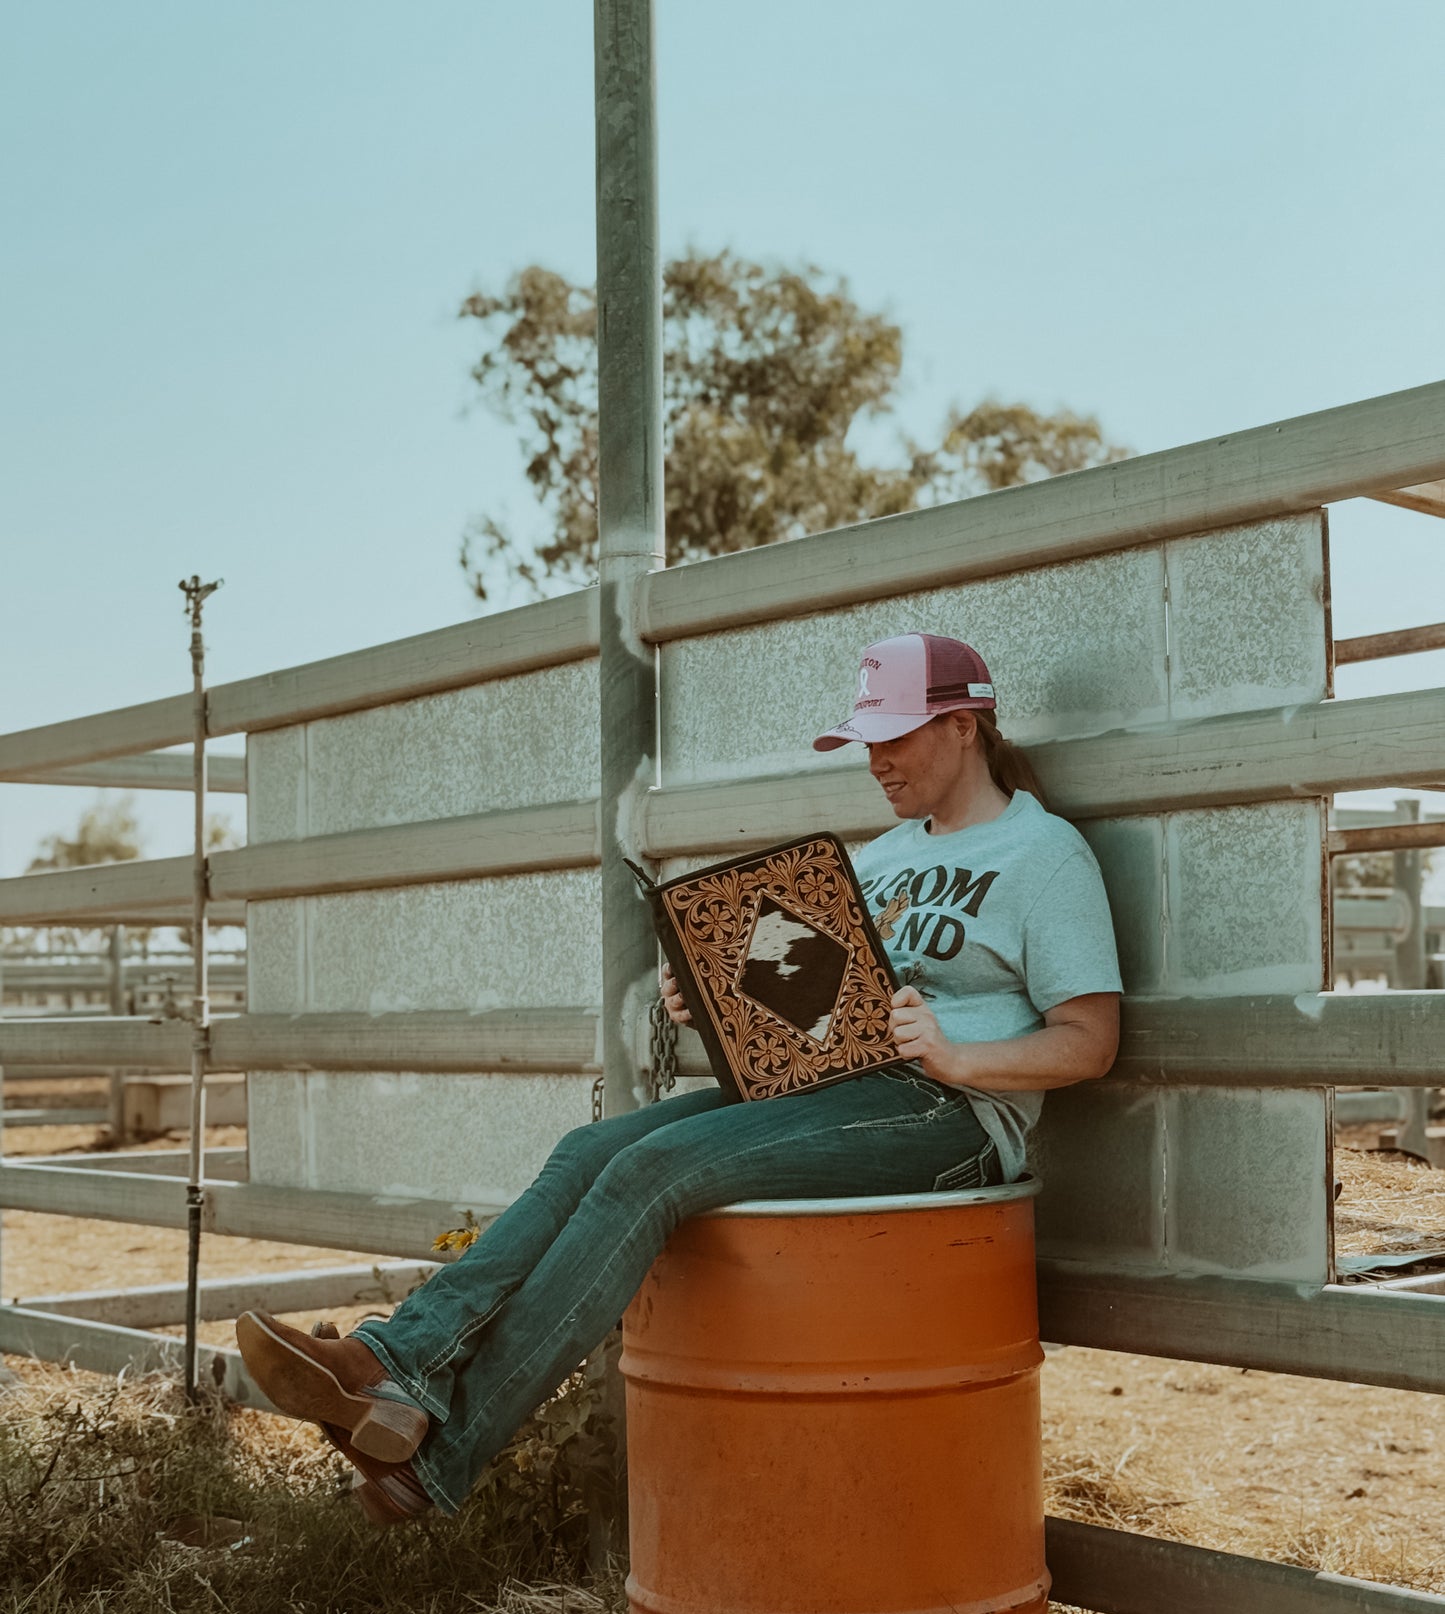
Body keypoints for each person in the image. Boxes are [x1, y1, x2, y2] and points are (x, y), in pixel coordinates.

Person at [237, 633, 1122, 1523]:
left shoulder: (1042, 854)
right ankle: (399, 1361)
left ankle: (439, 1455)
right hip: (838, 1091)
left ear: (964, 725)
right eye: (865, 740)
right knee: (588, 1148)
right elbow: (828, 1009)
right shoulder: (883, 855)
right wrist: (719, 994)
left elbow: (1089, 1041)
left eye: (893, 736)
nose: (874, 760)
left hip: (950, 1117)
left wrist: (956, 1054)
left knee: (649, 1170)